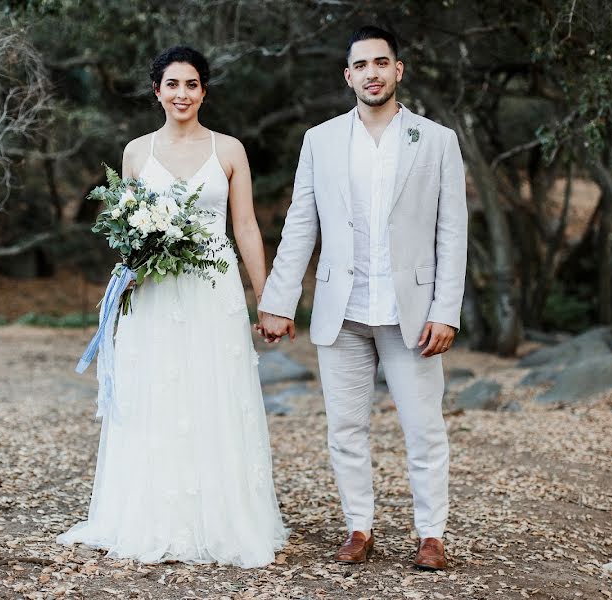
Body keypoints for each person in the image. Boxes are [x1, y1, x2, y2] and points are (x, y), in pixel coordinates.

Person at [58, 46, 288, 568]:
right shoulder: (136, 153)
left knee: (214, 393)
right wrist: (124, 285)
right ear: (156, 91)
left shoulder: (229, 150)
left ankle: (222, 519)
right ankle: (154, 517)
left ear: (203, 91)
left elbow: (246, 226)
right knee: (157, 394)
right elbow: (126, 229)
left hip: (214, 290)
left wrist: (268, 299)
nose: (181, 93)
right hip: (155, 292)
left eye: (191, 84)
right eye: (171, 84)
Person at [257, 26, 467, 570]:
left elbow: (452, 232)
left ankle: (431, 535)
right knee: (345, 429)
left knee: (424, 429)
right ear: (347, 76)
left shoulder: (437, 140)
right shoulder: (320, 140)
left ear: (398, 70)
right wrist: (279, 300)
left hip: (413, 316)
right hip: (342, 311)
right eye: (361, 65)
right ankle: (359, 527)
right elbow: (300, 225)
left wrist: (447, 311)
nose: (372, 73)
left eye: (382, 63)